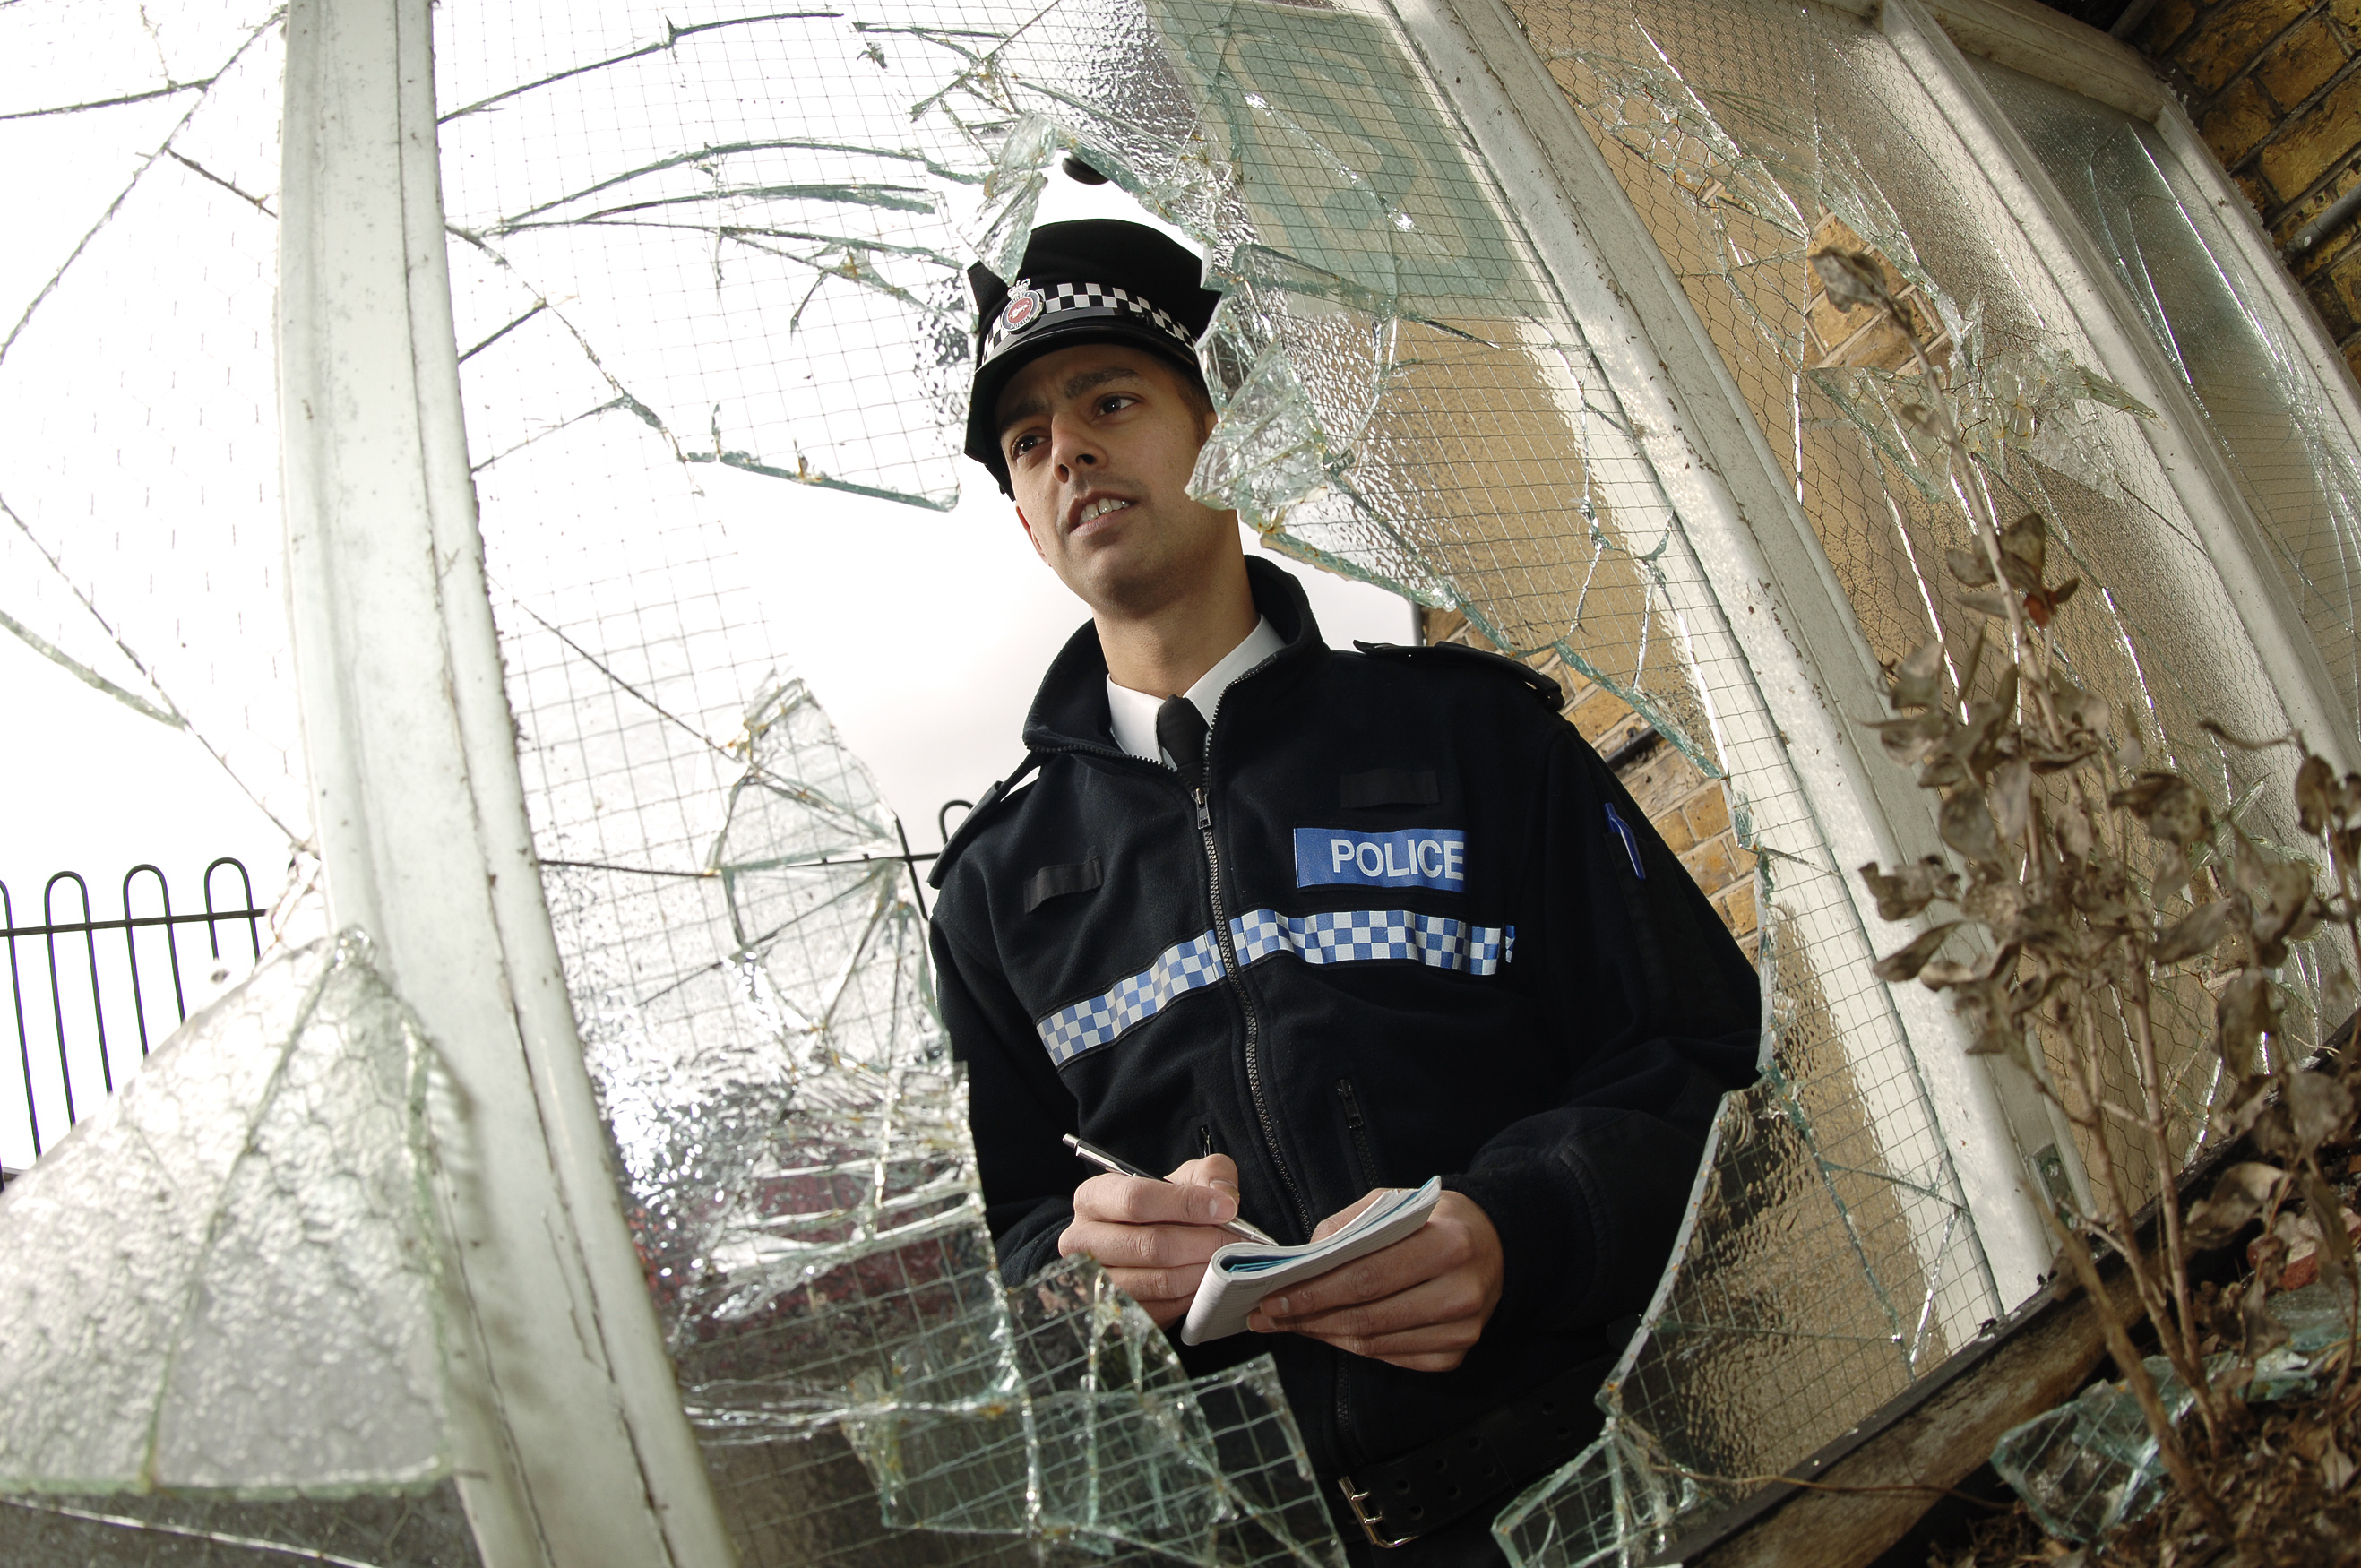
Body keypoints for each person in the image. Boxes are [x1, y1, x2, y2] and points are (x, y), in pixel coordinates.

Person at [926, 216, 1760, 1564]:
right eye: (1028, 439)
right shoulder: (989, 900)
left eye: (1112, 398)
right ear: (1026, 519)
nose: (1067, 447)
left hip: (1600, 1488)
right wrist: (1088, 1284)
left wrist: (1517, 1225)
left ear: (1222, 428)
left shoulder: (1474, 741)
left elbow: (1707, 1069)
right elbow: (996, 1257)